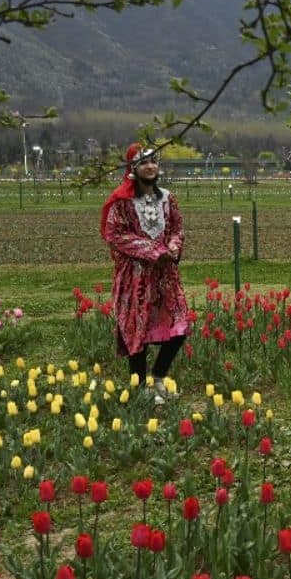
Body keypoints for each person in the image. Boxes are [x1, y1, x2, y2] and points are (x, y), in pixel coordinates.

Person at [100, 142, 190, 403]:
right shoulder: (122, 202)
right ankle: (139, 388)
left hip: (165, 277)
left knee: (179, 326)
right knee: (136, 329)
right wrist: (152, 250)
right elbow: (114, 234)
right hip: (135, 278)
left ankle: (159, 377)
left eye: (153, 161)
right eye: (143, 163)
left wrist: (172, 248)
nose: (150, 167)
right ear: (133, 169)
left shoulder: (167, 198)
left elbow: (177, 228)